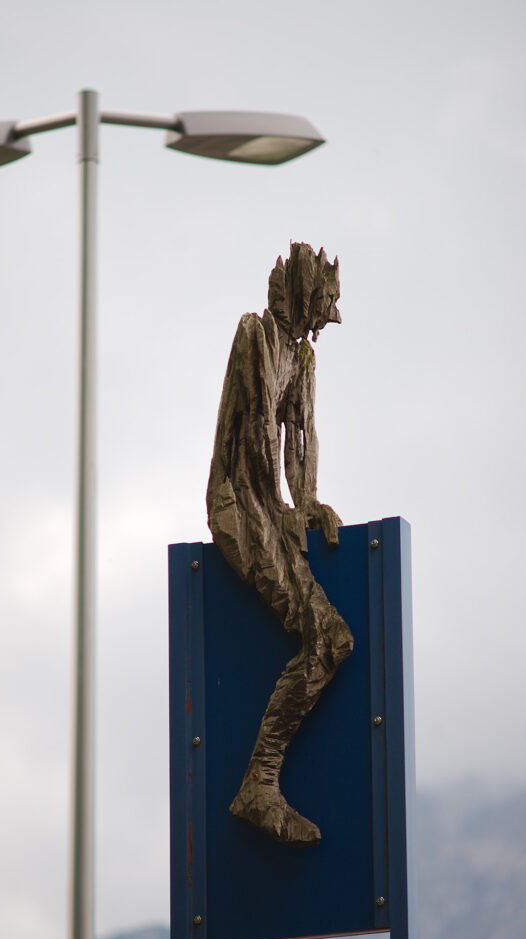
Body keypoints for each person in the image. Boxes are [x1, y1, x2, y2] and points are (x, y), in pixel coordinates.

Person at [206, 242, 353, 848]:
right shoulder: (255, 337)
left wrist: (309, 498)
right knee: (326, 637)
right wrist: (281, 508)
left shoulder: (303, 360)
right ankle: (258, 783)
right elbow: (257, 429)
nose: (331, 316)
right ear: (303, 292)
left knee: (334, 640)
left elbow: (300, 435)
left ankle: (260, 780)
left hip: (273, 508)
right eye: (327, 300)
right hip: (242, 507)